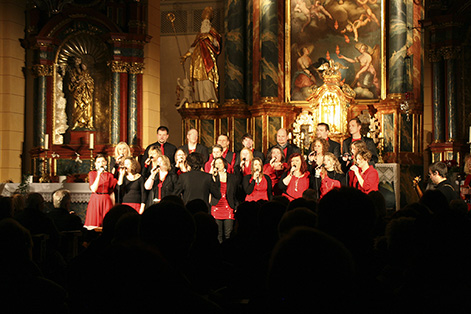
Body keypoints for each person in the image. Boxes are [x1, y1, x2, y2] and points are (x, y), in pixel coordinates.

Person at [180, 6, 222, 102]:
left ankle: (209, 97)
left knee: (207, 78)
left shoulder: (212, 31)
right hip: (198, 61)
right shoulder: (199, 33)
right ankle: (200, 99)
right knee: (198, 79)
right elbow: (194, 46)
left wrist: (208, 37)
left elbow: (217, 44)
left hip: (208, 60)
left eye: (207, 13)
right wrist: (185, 56)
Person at [210, 157, 239, 243]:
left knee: (228, 234)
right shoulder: (213, 177)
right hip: (216, 206)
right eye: (216, 163)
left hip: (228, 206)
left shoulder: (232, 177)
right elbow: (211, 189)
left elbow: (235, 193)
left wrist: (236, 205)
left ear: (224, 164)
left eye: (220, 163)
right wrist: (213, 177)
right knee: (218, 234)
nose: (218, 165)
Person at [85, 155, 117, 228]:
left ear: (106, 163)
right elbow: (93, 189)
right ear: (95, 164)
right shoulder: (92, 174)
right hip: (95, 199)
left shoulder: (110, 175)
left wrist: (113, 205)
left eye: (103, 161)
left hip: (106, 199)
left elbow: (111, 191)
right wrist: (98, 175)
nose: (101, 163)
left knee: (107, 222)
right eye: (98, 162)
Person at [68, 56, 94, 130]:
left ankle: (87, 123)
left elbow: (90, 82)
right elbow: (70, 85)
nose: (77, 62)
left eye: (78, 61)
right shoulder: (72, 72)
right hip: (76, 94)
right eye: (75, 61)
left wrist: (85, 82)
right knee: (76, 107)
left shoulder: (85, 73)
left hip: (85, 94)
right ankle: (76, 122)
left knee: (86, 108)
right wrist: (72, 82)